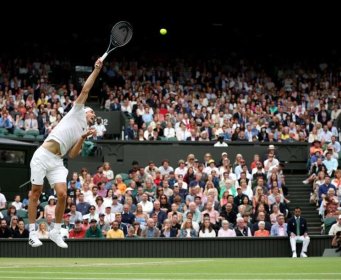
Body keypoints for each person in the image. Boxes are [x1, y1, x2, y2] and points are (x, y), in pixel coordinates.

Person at [27, 58, 103, 248]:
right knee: (35, 193)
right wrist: (96, 70)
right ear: (85, 112)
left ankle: (55, 231)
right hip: (42, 155)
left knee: (62, 195)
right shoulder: (76, 111)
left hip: (57, 161)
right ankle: (32, 232)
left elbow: (73, 155)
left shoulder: (83, 130)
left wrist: (83, 138)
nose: (94, 115)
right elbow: (86, 90)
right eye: (92, 112)